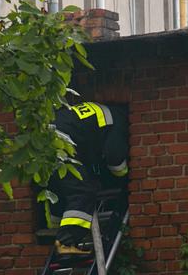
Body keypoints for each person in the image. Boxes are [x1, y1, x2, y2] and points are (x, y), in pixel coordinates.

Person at [44, 101, 128, 256]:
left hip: (41, 145)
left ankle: (55, 233)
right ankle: (66, 243)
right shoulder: (119, 120)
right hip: (61, 144)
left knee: (60, 192)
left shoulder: (95, 113)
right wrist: (125, 179)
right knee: (83, 192)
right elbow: (115, 158)